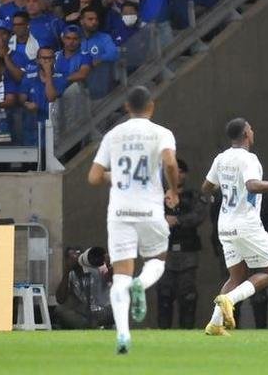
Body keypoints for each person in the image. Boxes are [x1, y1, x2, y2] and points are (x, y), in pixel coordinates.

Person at [87, 85, 180, 355]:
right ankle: (142, 283)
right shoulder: (160, 133)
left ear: (127, 107)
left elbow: (94, 177)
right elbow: (171, 163)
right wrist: (172, 190)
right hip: (149, 209)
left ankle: (123, 335)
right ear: (151, 106)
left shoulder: (114, 135)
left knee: (120, 276)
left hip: (119, 212)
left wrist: (113, 176)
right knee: (157, 260)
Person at [202, 117, 268, 335]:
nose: (253, 131)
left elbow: (206, 187)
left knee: (236, 277)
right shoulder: (249, 159)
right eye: (251, 129)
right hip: (246, 224)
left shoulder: (221, 158)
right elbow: (252, 186)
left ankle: (215, 323)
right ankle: (229, 299)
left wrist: (226, 188)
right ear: (246, 134)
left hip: (225, 226)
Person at [157, 158, 208, 330]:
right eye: (173, 170)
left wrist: (177, 220)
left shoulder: (193, 196)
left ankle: (187, 333)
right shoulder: (157, 198)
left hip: (187, 253)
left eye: (180, 171)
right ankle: (163, 336)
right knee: (164, 296)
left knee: (188, 296)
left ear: (185, 174)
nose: (176, 175)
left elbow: (199, 216)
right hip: (164, 253)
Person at [53, 245, 114, 330]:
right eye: (71, 256)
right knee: (59, 311)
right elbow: (60, 299)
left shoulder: (98, 267)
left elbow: (113, 278)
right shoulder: (70, 275)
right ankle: (92, 327)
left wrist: (110, 264)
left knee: (114, 310)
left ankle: (91, 326)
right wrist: (67, 270)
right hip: (83, 314)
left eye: (78, 254)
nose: (75, 258)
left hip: (102, 310)